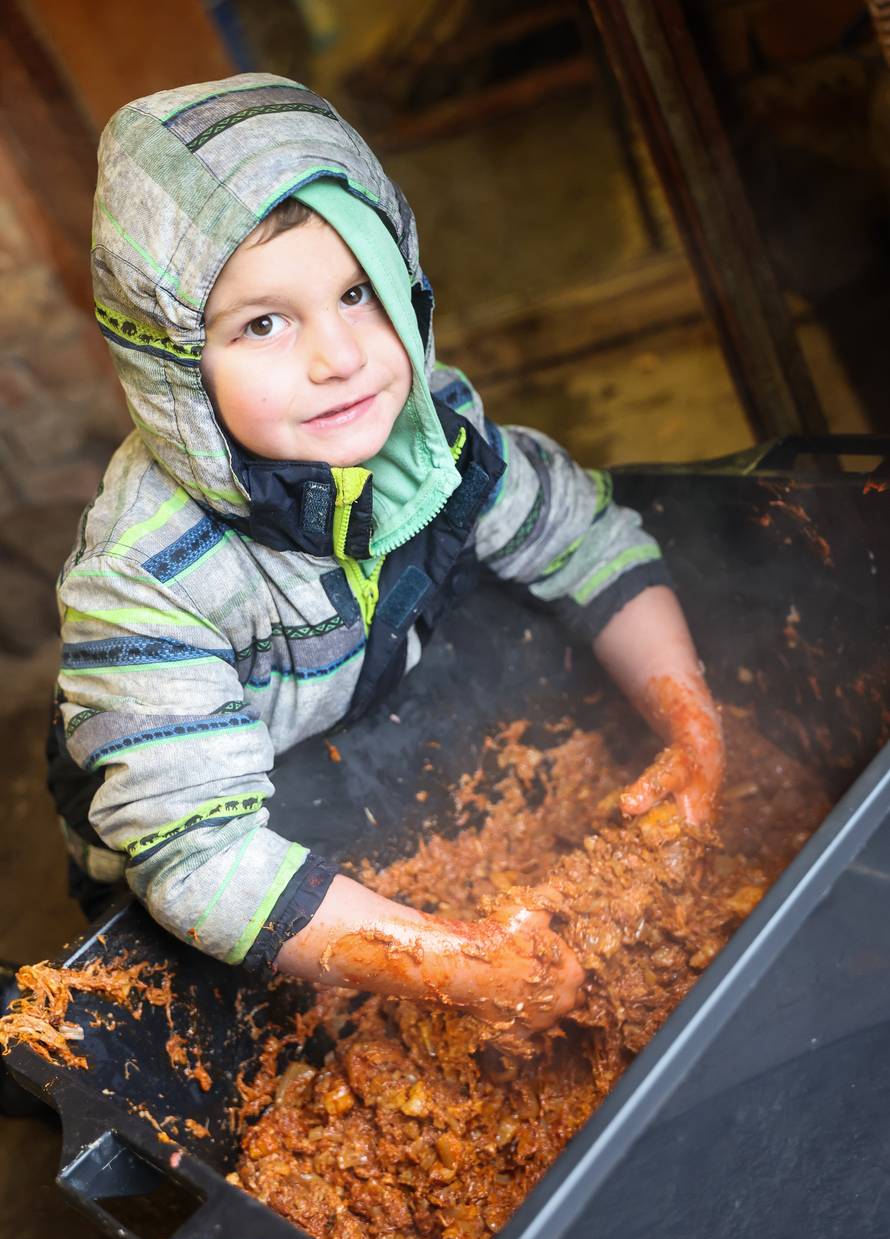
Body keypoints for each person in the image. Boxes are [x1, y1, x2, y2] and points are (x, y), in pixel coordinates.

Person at [47, 73, 723, 1038]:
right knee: (224, 1012)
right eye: (263, 324)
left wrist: (692, 727)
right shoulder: (144, 578)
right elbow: (198, 858)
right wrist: (457, 966)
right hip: (182, 832)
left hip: (337, 725)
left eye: (358, 292)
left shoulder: (435, 431)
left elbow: (585, 541)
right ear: (174, 370)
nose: (341, 356)